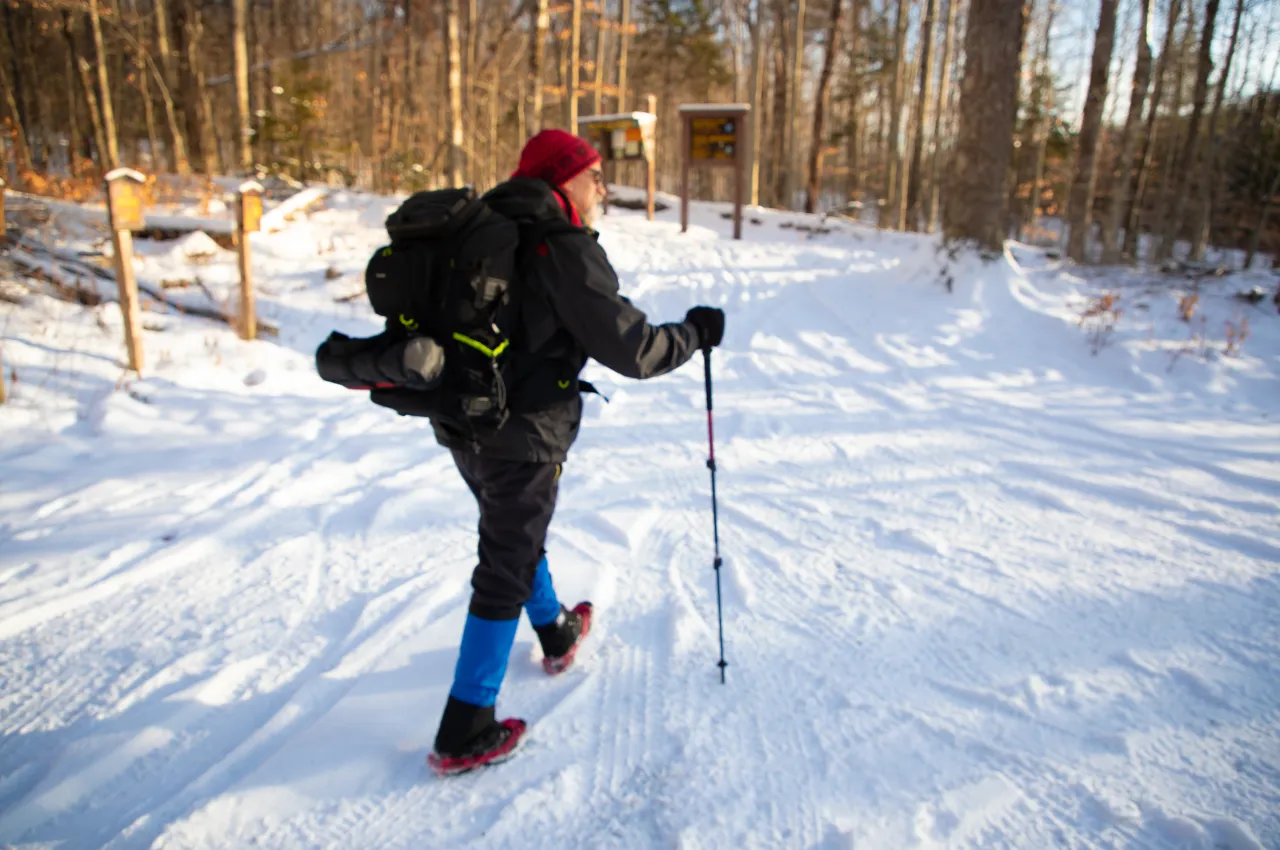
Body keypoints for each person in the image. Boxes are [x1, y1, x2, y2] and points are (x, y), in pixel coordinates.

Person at [428, 129, 726, 776]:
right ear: (563, 179)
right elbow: (634, 348)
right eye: (594, 176)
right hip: (525, 435)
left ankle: (556, 630)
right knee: (505, 557)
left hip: (462, 424)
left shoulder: (479, 230)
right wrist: (696, 333)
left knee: (511, 531)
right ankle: (465, 725)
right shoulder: (559, 245)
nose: (601, 190)